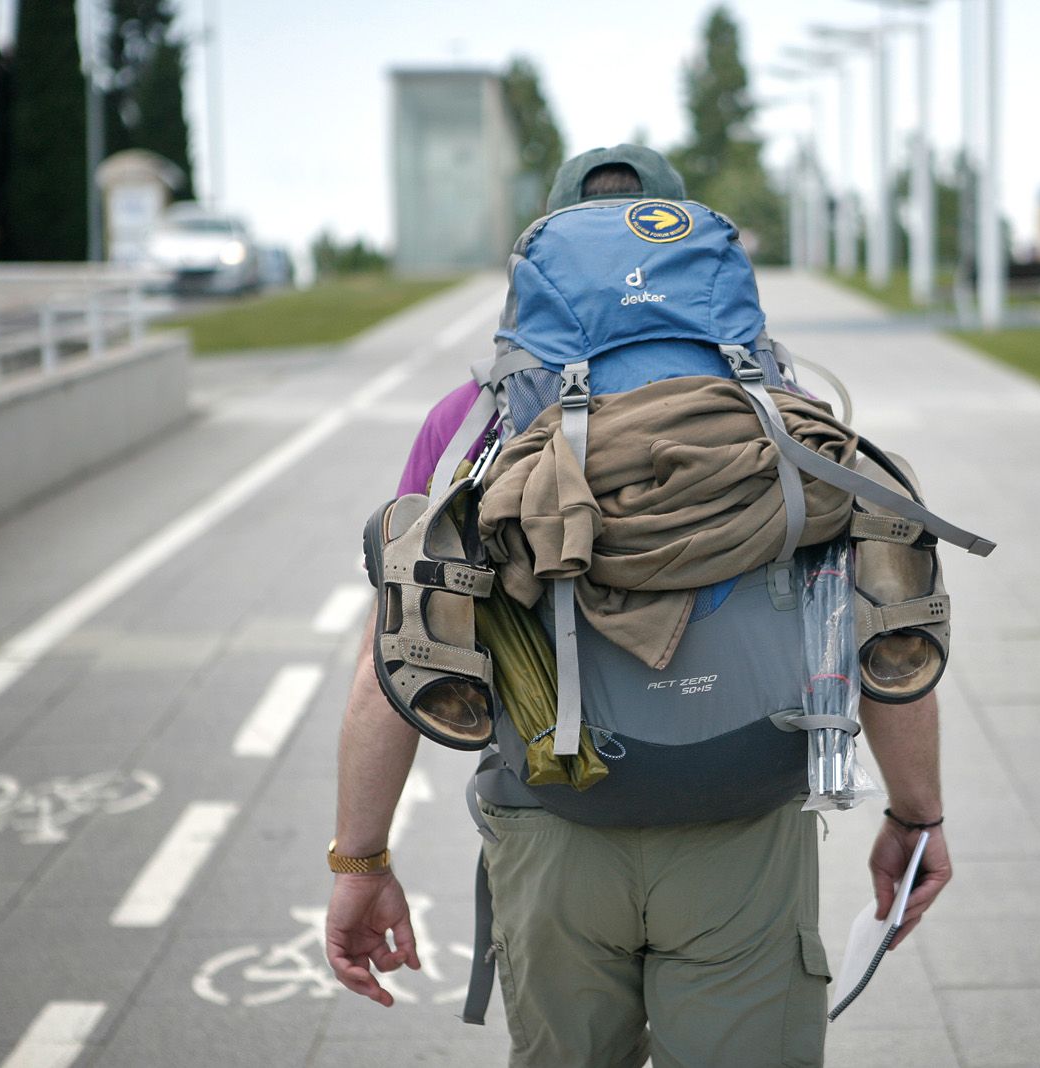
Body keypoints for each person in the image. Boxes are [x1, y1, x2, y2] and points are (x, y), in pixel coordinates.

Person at [325, 145, 953, 1067]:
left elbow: (392, 668)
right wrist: (916, 818)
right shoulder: (787, 411)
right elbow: (885, 634)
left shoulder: (472, 421)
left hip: (551, 828)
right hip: (744, 831)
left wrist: (362, 862)